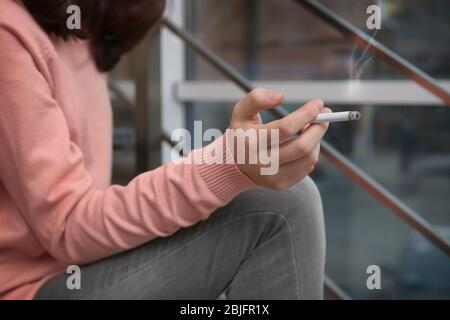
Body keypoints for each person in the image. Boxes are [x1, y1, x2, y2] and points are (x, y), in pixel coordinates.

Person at [0, 0, 331, 300]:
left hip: (82, 268)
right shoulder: (9, 31)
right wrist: (227, 166)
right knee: (283, 205)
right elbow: (68, 225)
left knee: (283, 202)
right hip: (31, 289)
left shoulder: (83, 29)